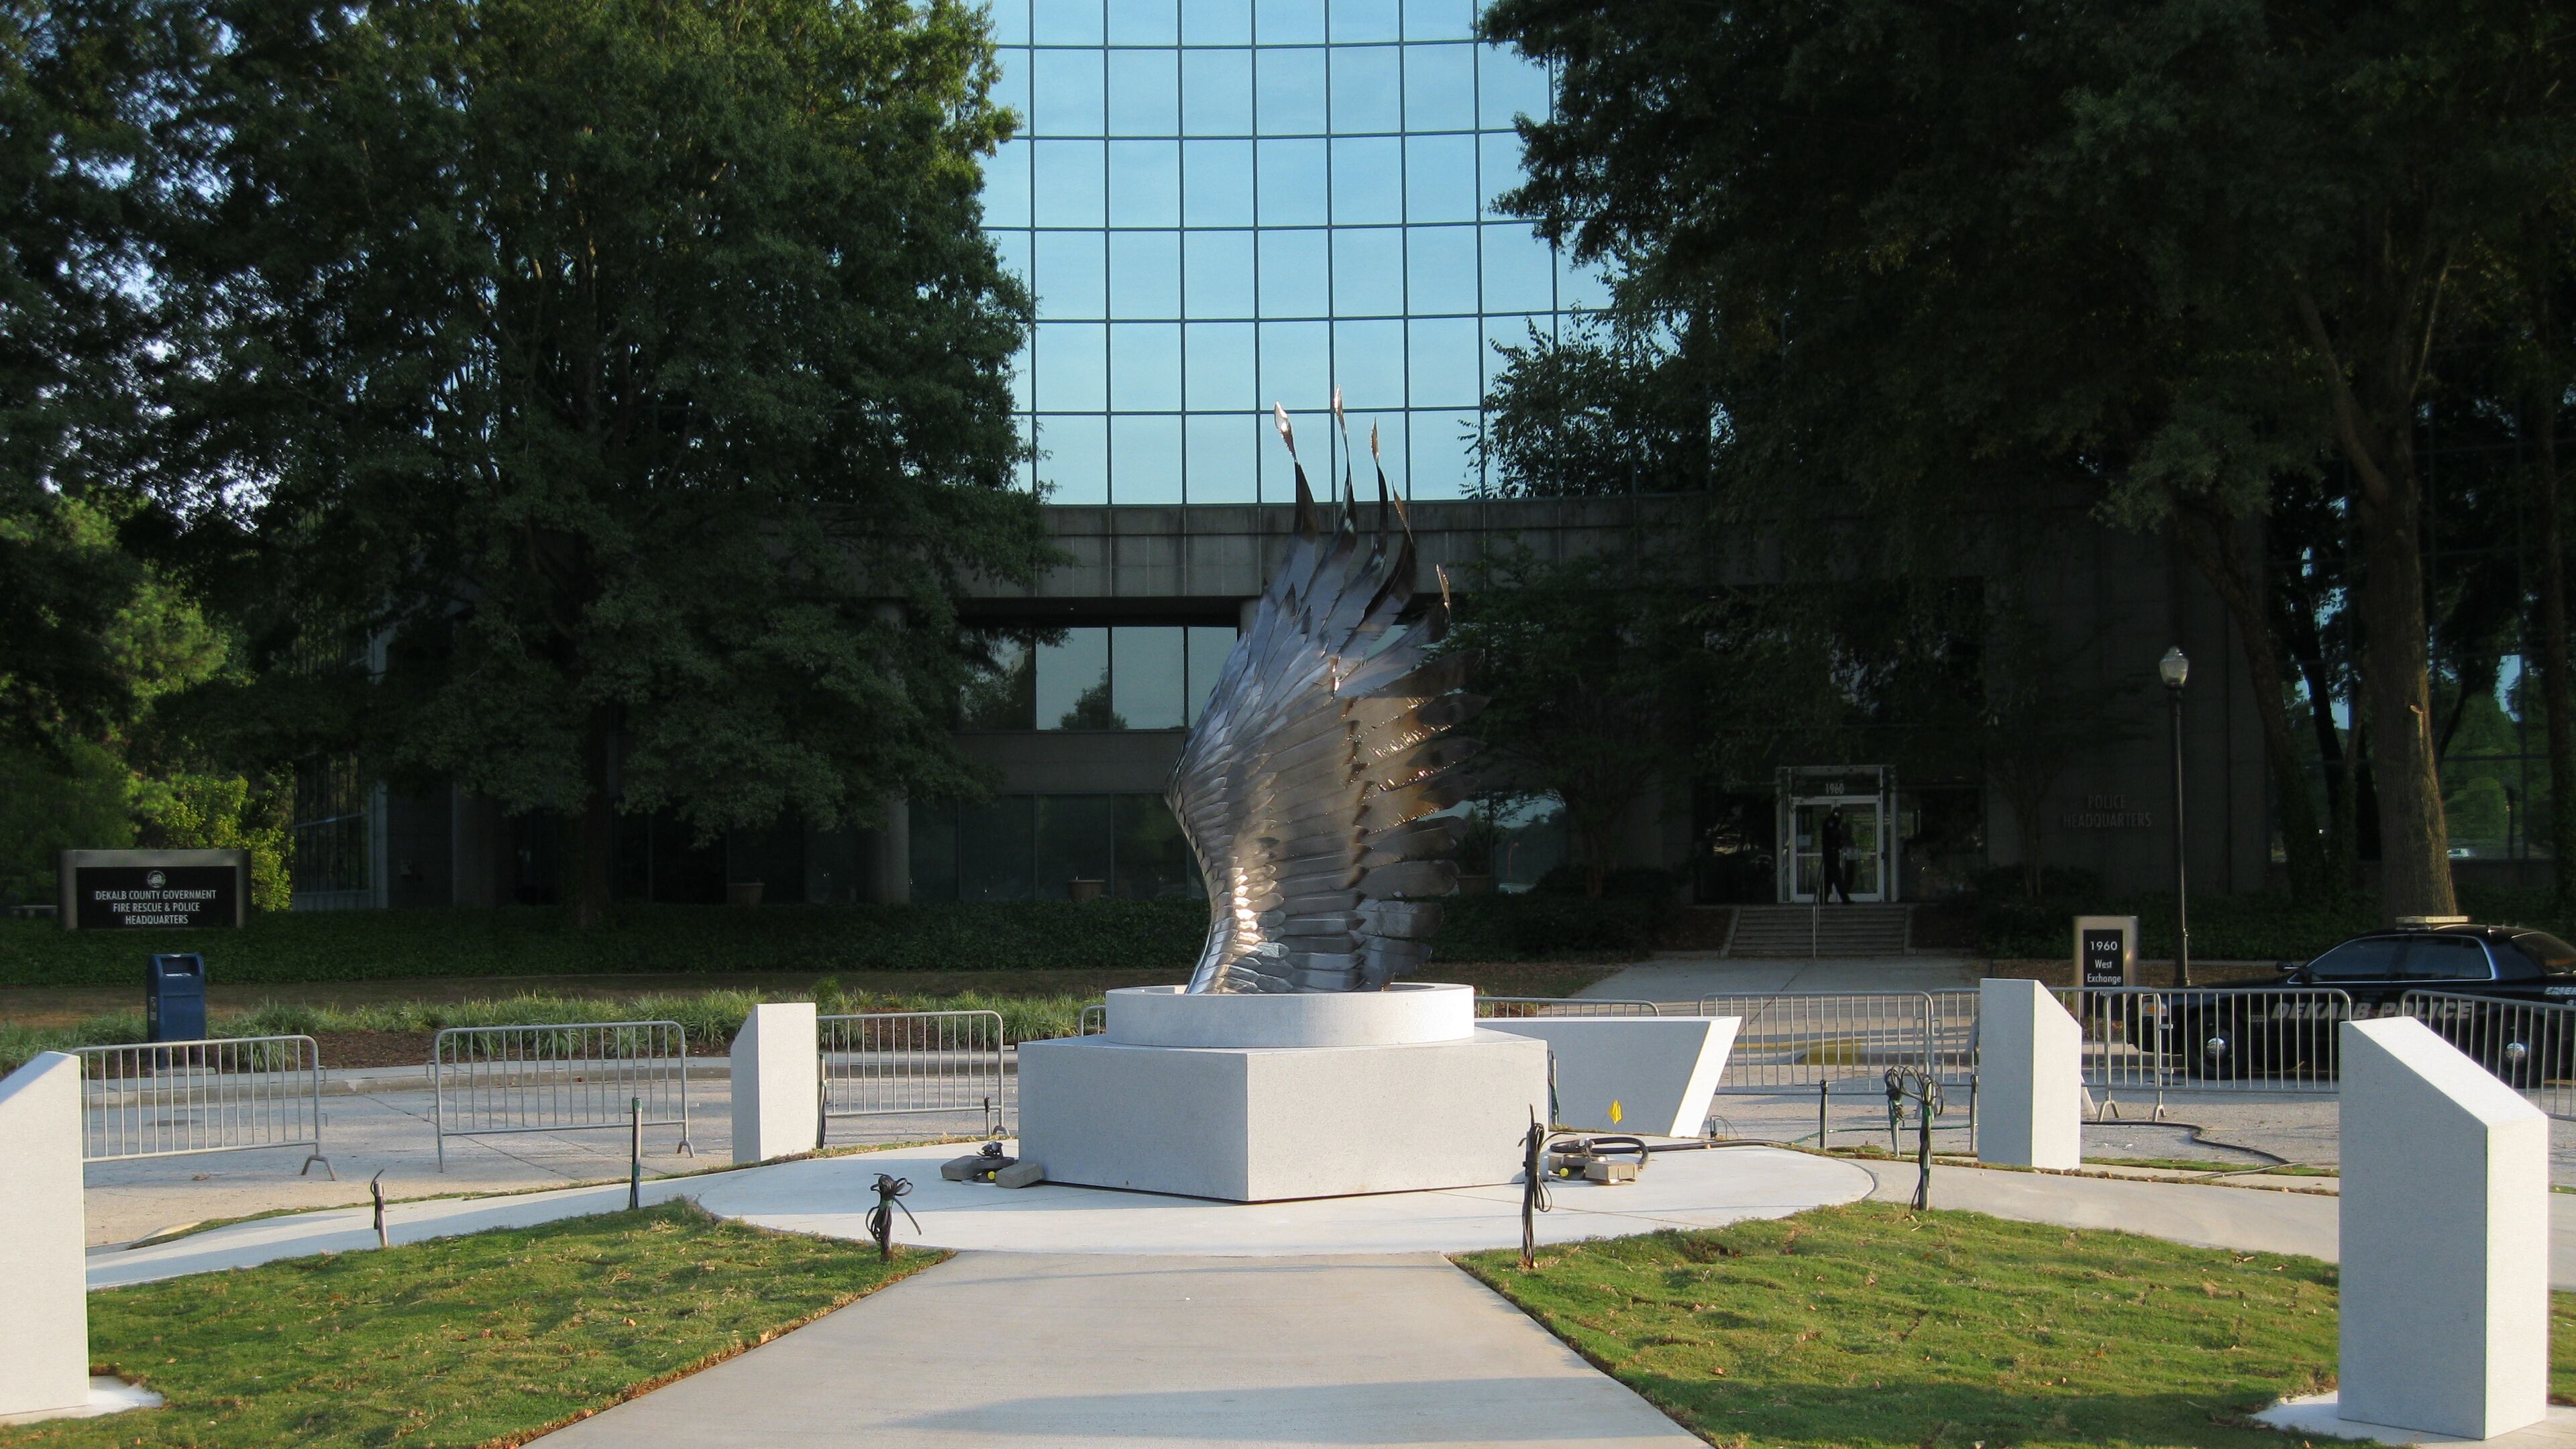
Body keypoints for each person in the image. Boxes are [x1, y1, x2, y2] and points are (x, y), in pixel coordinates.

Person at [1818, 806, 1851, 904]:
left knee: (1828, 878)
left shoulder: (1833, 823)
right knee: (1836, 876)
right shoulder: (1831, 823)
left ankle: (1823, 900)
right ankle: (1845, 899)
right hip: (1831, 853)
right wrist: (1839, 842)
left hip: (1832, 853)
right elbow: (1832, 837)